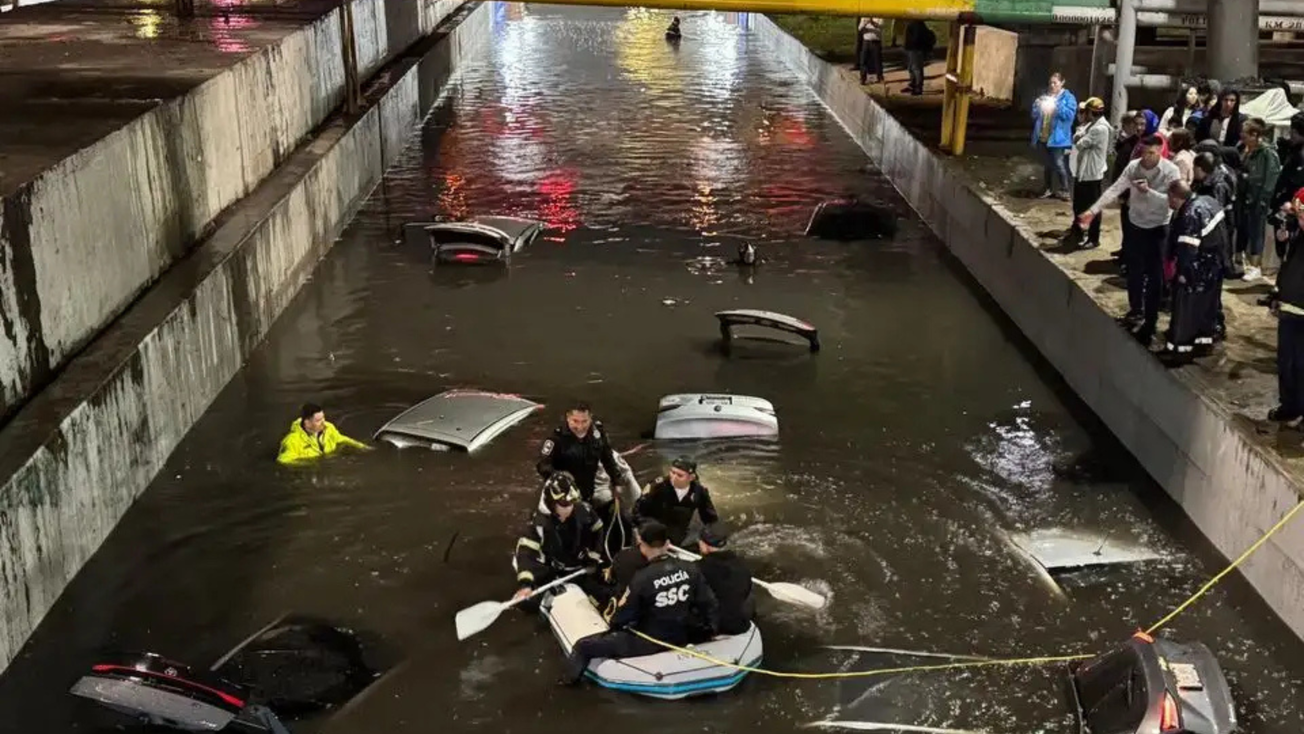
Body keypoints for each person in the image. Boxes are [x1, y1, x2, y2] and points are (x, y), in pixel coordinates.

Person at [560, 520, 718, 686]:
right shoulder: (690, 568)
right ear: (668, 543)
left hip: (649, 641)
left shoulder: (642, 578)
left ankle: (567, 685)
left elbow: (622, 617)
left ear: (642, 544)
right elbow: (709, 603)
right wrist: (709, 630)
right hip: (682, 634)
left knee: (583, 647)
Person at [1080, 134, 1182, 346]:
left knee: (1155, 276)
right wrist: (1092, 210)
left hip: (1158, 228)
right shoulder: (1134, 166)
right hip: (1136, 225)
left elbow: (1173, 203)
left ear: (1160, 152)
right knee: (1134, 271)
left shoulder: (1171, 171)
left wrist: (1149, 192)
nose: (1146, 158)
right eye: (1143, 153)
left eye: (1151, 153)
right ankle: (1135, 311)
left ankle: (1151, 321)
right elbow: (1115, 189)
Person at [512, 472, 608, 608]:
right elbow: (526, 555)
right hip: (550, 568)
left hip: (578, 564)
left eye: (572, 503)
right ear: (552, 504)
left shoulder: (582, 510)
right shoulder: (539, 525)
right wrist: (526, 585)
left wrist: (593, 556)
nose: (569, 508)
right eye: (564, 504)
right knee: (527, 605)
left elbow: (598, 529)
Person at [1161, 180, 1229, 362]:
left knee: (1186, 310)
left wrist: (1183, 273)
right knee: (1207, 308)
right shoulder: (1209, 201)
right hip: (1215, 267)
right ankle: (1203, 344)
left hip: (1198, 269)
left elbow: (1187, 250)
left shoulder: (1189, 215)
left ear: (1175, 198)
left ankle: (1180, 350)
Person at [536, 401, 633, 507]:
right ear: (568, 418)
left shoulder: (598, 434)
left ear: (590, 418)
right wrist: (559, 476)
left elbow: (607, 458)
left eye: (584, 421)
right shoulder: (556, 438)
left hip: (588, 490)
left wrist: (616, 482)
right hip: (562, 494)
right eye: (575, 421)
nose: (580, 427)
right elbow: (542, 465)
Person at [632, 456, 720, 546]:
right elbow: (638, 511)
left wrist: (711, 539)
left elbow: (710, 518)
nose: (674, 478)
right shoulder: (657, 487)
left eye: (680, 475)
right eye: (672, 473)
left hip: (679, 533)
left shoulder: (699, 492)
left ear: (691, 478)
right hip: (654, 530)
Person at [1238, 118, 1282, 282]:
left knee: (1257, 232)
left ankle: (1256, 266)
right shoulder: (1247, 150)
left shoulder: (1267, 153)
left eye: (1245, 133)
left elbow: (1271, 179)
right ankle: (1247, 262)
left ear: (1254, 135)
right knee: (1247, 230)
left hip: (1259, 199)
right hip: (1247, 198)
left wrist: (1263, 199)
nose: (1242, 136)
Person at [695, 523, 755, 636]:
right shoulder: (741, 565)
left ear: (703, 545)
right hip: (740, 624)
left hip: (715, 627)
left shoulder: (697, 570)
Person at [1067, 97, 1111, 249]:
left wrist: (1080, 136)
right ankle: (1078, 232)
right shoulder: (1093, 126)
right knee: (1079, 205)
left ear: (1091, 113)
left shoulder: (1099, 129)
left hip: (1091, 174)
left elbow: (1079, 143)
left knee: (1092, 207)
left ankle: (1093, 238)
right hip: (1084, 173)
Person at [1031, 72, 1077, 201]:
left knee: (1059, 163)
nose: (1052, 85)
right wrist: (1037, 105)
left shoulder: (1068, 98)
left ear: (1062, 83)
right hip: (1043, 135)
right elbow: (1034, 115)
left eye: (1055, 83)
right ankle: (1048, 188)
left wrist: (1057, 105)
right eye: (1050, 83)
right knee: (1047, 164)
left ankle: (1065, 189)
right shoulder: (1045, 96)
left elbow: (1069, 116)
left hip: (1058, 138)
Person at [276, 402, 369, 464]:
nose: (323, 422)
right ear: (307, 422)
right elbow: (283, 461)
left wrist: (362, 447)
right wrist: (308, 463)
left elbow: (341, 438)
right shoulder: (292, 441)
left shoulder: (329, 428)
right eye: (318, 420)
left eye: (323, 418)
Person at [901, 20, 935, 96]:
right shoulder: (913, 23)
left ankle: (918, 87)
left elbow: (916, 37)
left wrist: (910, 45)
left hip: (915, 49)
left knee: (916, 69)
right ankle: (912, 85)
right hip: (911, 49)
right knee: (911, 68)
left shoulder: (917, 23)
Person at [857, 17, 884, 86]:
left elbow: (880, 27)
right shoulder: (864, 18)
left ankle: (880, 77)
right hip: (866, 41)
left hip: (876, 42)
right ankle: (863, 78)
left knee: (877, 60)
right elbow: (859, 28)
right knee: (863, 60)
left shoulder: (879, 17)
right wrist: (865, 23)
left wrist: (873, 22)